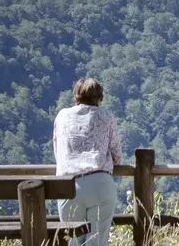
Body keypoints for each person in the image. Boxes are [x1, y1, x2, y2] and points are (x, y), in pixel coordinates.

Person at [52, 78, 125, 246]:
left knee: (74, 242)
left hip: (67, 186)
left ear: (76, 96)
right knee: (97, 242)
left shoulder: (62, 116)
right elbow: (117, 155)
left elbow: (58, 152)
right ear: (100, 98)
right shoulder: (106, 116)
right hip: (100, 184)